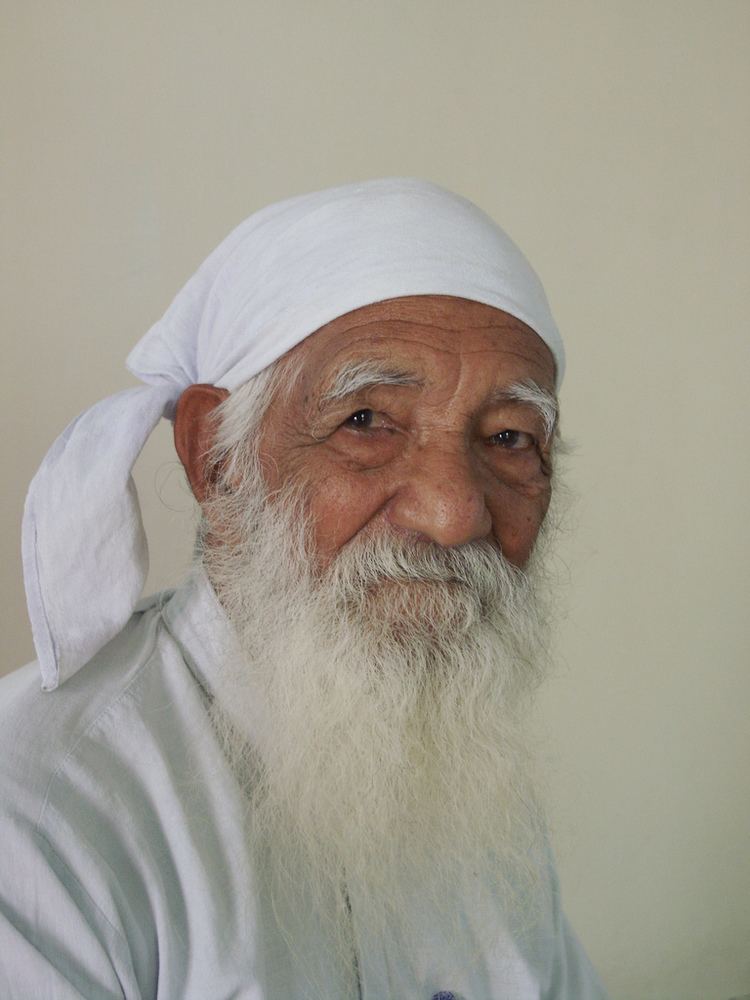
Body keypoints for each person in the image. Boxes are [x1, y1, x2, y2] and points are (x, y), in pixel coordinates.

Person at [0, 179, 609, 999]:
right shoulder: (38, 815)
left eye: (508, 437)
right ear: (216, 456)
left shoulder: (462, 776)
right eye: (366, 422)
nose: (454, 511)